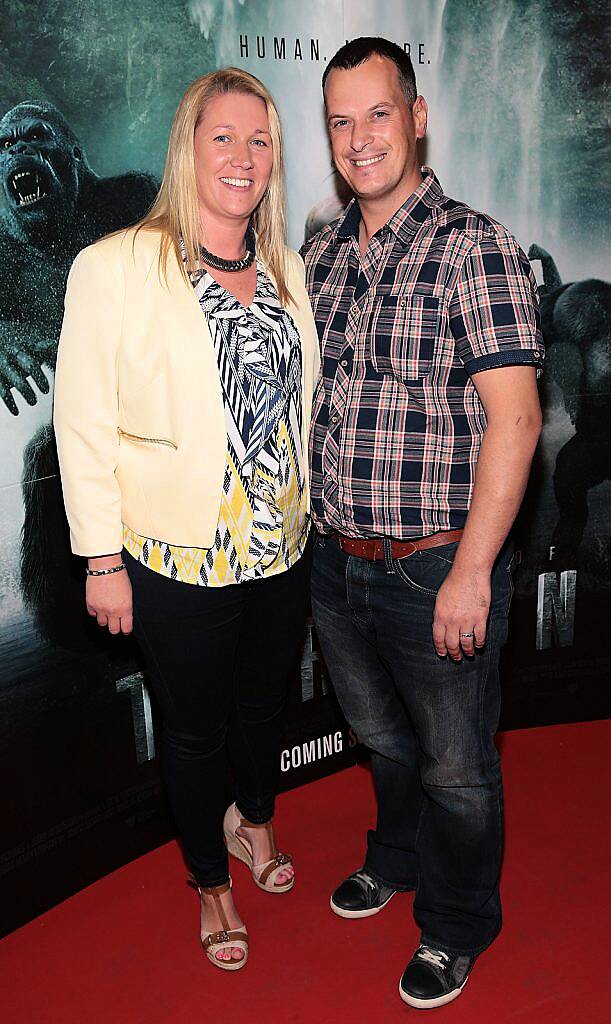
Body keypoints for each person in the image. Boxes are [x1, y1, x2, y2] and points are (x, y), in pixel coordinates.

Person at [54, 67, 320, 972]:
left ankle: (253, 821)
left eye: (259, 140)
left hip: (283, 549)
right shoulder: (115, 264)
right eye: (223, 137)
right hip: (175, 558)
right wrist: (99, 560)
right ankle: (210, 881)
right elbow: (82, 420)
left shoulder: (286, 267)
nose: (242, 157)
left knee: (261, 707)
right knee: (196, 726)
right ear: (187, 146)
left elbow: (296, 410)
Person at [302, 38, 543, 1009]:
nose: (359, 138)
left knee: (453, 765)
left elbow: (516, 419)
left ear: (415, 116)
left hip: (434, 562)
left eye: (375, 113)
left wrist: (472, 570)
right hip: (336, 561)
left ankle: (454, 923)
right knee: (381, 739)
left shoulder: (470, 246)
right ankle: (393, 858)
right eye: (339, 120)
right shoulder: (320, 249)